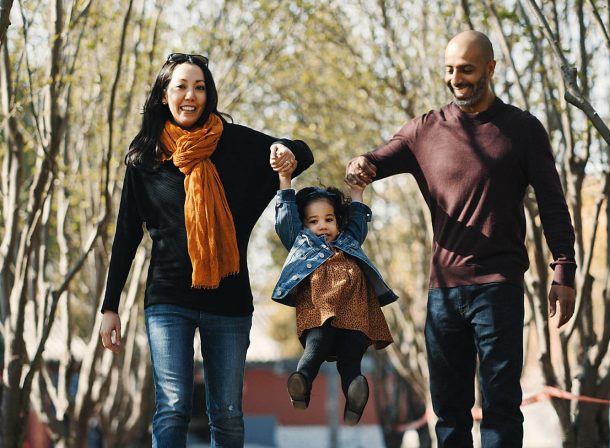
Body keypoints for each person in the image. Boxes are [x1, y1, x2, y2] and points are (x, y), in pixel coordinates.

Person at [345, 30, 576, 446]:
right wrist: (360, 164)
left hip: (498, 289)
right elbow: (375, 160)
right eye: (449, 70)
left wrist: (564, 269)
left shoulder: (523, 130)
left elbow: (553, 205)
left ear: (490, 68)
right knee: (449, 415)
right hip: (444, 295)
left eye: (466, 70)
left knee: (501, 409)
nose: (457, 79)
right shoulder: (425, 131)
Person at [99, 52, 313, 448]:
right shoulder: (146, 154)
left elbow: (301, 152)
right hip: (168, 299)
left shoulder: (234, 143)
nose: (190, 95)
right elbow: (127, 233)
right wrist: (109, 306)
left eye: (199, 87)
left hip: (228, 300)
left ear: (208, 94)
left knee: (228, 414)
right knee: (174, 404)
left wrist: (287, 152)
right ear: (164, 95)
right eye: (180, 86)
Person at [270, 153, 397, 425]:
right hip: (319, 308)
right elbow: (285, 220)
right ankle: (301, 382)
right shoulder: (301, 245)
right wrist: (284, 179)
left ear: (338, 222)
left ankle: (354, 397)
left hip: (355, 308)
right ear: (303, 226)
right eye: (313, 221)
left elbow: (358, 219)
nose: (322, 226)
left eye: (328, 219)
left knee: (351, 357)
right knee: (316, 345)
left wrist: (357, 191)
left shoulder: (349, 240)